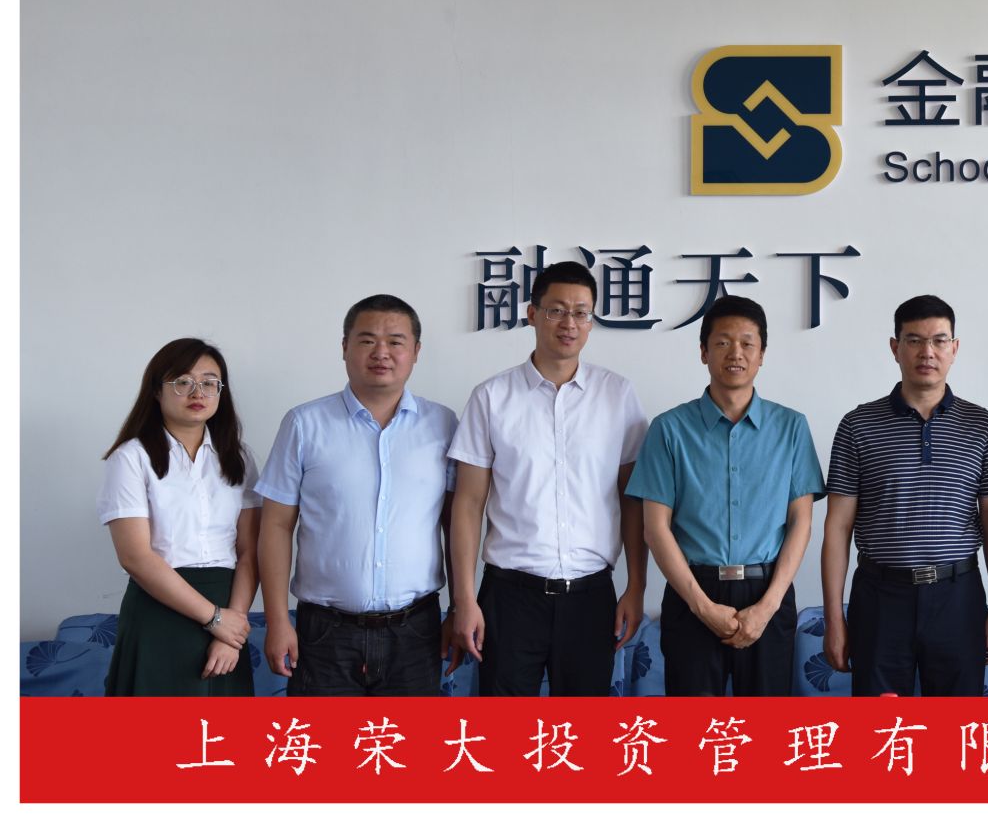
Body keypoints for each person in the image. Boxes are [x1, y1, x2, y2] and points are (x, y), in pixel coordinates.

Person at [445, 262, 650, 695]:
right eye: (556, 310)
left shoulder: (618, 395)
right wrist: (463, 599)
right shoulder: (492, 397)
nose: (569, 323)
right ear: (532, 314)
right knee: (504, 729)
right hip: (510, 595)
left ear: (591, 322)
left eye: (581, 313)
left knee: (583, 730)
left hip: (591, 595)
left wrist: (636, 586)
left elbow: (632, 498)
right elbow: (467, 504)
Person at [257, 294, 458, 695]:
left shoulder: (443, 424)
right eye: (367, 340)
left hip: (416, 631)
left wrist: (458, 606)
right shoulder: (304, 424)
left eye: (395, 341)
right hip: (325, 633)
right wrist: (277, 620)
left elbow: (456, 525)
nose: (381, 352)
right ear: (345, 347)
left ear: (416, 351)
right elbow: (276, 526)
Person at [628, 295, 823, 695]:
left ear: (762, 354)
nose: (736, 353)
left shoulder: (791, 427)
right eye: (722, 342)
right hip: (692, 593)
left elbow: (801, 522)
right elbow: (655, 529)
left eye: (747, 343)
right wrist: (702, 607)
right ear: (703, 351)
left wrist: (766, 608)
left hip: (767, 593)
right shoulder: (669, 429)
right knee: (693, 728)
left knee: (767, 728)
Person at [820, 295, 988, 696]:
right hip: (880, 598)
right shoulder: (857, 425)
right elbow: (836, 528)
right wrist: (834, 617)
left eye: (939, 341)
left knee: (958, 727)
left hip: (958, 596)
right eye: (914, 340)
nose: (928, 352)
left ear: (954, 348)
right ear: (895, 347)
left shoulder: (981, 425)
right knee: (880, 727)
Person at [97, 338, 262, 695]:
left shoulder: (239, 458)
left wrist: (231, 631)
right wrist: (214, 619)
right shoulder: (130, 458)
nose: (197, 392)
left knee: (221, 728)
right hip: (159, 608)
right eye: (182, 381)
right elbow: (135, 557)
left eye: (209, 382)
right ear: (157, 390)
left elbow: (250, 552)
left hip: (227, 605)